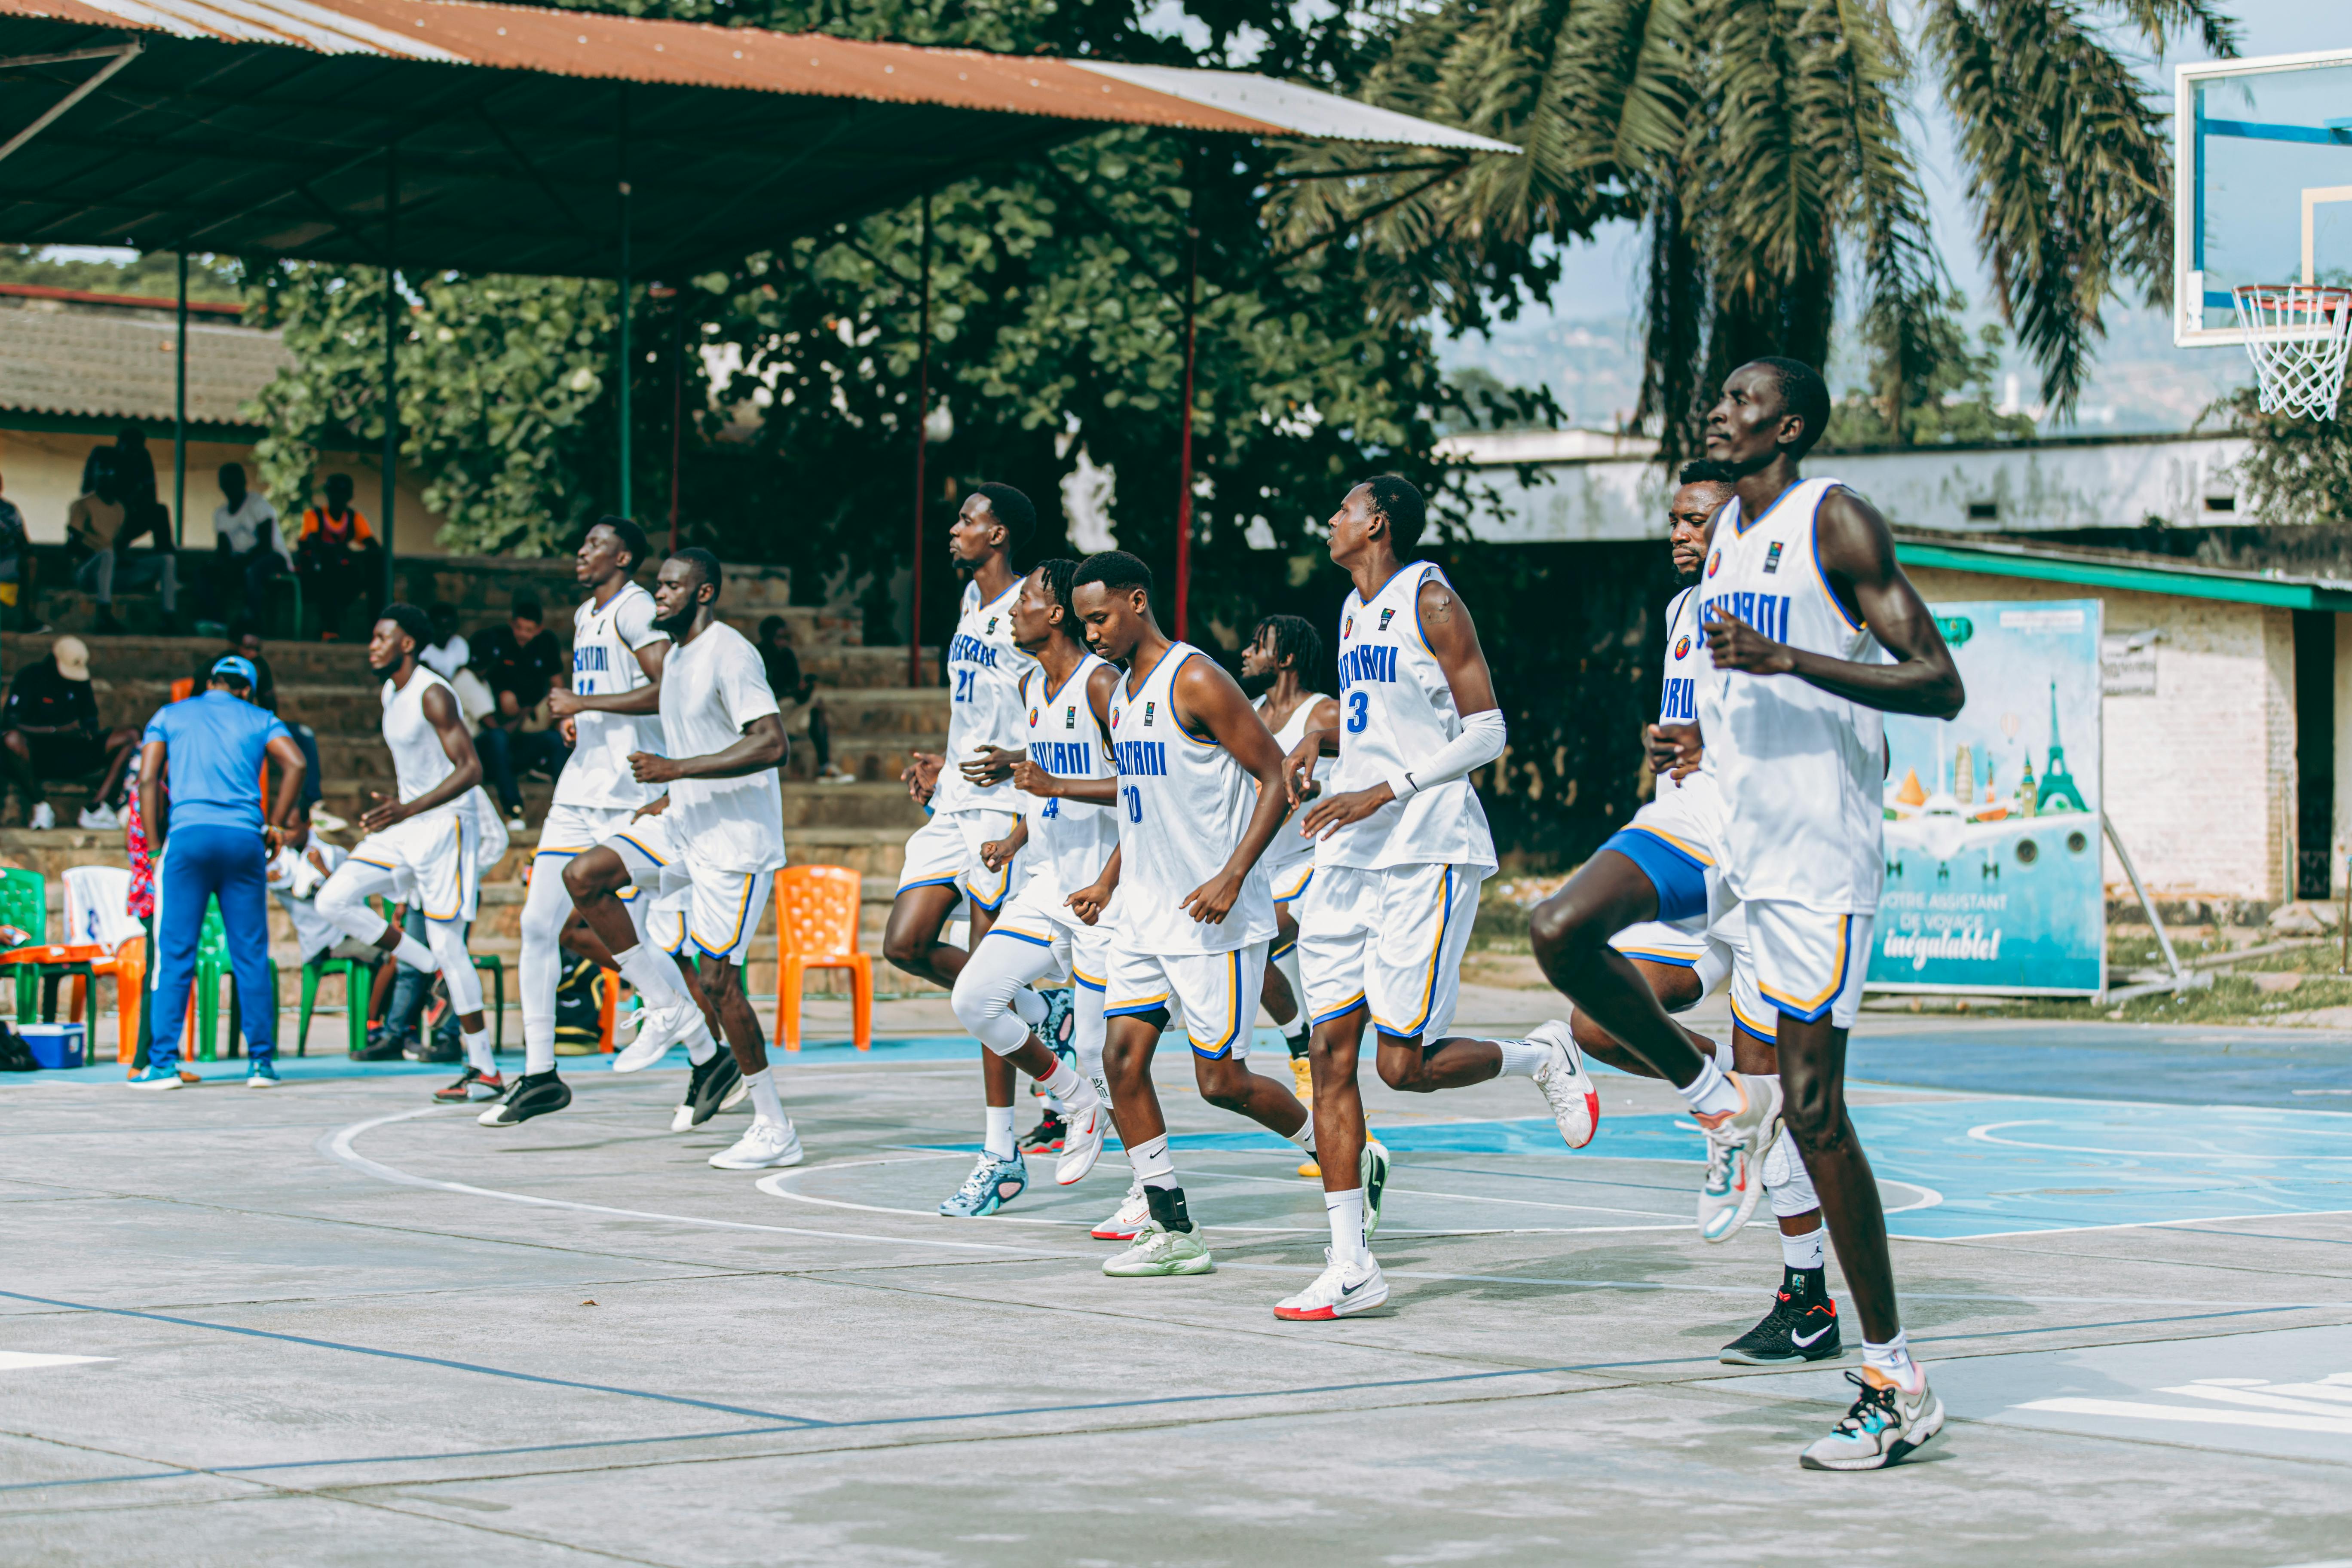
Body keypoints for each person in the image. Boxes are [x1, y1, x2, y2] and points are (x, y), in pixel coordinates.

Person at [1528, 357, 1963, 1470]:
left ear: (1793, 424)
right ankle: (1715, 1100)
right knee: (1560, 930)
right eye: (1715, 398)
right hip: (1722, 811)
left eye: (1742, 400)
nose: (1719, 410)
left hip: (1816, 846)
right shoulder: (1719, 544)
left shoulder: (1838, 523)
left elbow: (1938, 680)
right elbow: (1739, 697)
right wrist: (1700, 739)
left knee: (1818, 1117)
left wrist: (1788, 659)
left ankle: (1894, 1376)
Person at [1278, 476, 1592, 1321]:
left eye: (1340, 508)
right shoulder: (1350, 610)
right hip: (1350, 854)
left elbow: (1487, 730)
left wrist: (1386, 789)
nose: (1329, 519)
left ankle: (1541, 1056)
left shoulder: (1433, 599)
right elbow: (1378, 719)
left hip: (1427, 850)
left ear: (1375, 522)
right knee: (1331, 1054)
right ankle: (1351, 1265)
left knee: (1402, 1066)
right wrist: (1317, 741)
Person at [1555, 459, 1838, 1364]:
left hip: (1763, 852)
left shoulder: (1776, 603)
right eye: (1673, 519)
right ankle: (1724, 1098)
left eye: (1696, 520)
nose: (1679, 533)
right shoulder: (1682, 613)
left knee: (1783, 1080)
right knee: (1599, 1022)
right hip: (1693, 836)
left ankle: (1807, 1297)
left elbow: (1812, 711)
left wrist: (1711, 741)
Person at [1067, 550, 1314, 1275]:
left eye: (1100, 617)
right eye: (1083, 623)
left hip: (1212, 917)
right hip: (1144, 914)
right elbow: (1143, 803)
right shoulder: (1118, 693)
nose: (1092, 635)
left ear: (1138, 601)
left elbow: (1275, 776)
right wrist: (1111, 880)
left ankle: (1338, 1150)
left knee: (1222, 1082)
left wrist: (1233, 877)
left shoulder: (1196, 677)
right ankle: (1173, 1227)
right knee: (1120, 1060)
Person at [560, 549, 794, 1170]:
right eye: (658, 585)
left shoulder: (731, 652)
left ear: (705, 593)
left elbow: (772, 743)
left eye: (671, 587)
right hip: (685, 822)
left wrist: (676, 770)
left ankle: (774, 1126)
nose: (659, 595)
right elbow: (701, 740)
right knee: (585, 877)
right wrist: (668, 794)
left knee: (719, 982)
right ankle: (665, 1006)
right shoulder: (681, 658)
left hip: (736, 843)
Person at [481, 517, 704, 1129]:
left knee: (627, 936)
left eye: (595, 545)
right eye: (582, 544)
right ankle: (540, 1074)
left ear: (624, 557)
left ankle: (705, 1049)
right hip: (579, 789)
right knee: (535, 925)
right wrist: (584, 719)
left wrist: (586, 704)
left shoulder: (635, 609)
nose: (581, 552)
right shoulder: (587, 614)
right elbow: (610, 694)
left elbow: (668, 690)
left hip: (625, 795)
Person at [935, 560, 1116, 1215]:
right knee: (975, 1000)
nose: (1013, 612)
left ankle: (1151, 1196)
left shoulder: (1102, 687)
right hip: (1048, 884)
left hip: (1106, 893)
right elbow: (1044, 780)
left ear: (1058, 612)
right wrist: (1016, 838)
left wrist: (1105, 878)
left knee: (1109, 1058)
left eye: (1027, 602)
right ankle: (1074, 1101)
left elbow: (1149, 788)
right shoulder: (1031, 687)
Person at [311, 604, 504, 1103]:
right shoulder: (389, 691)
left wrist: (408, 808)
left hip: (445, 828)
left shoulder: (434, 693)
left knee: (451, 945)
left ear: (407, 645)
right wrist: (402, 811)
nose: (372, 645)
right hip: (406, 825)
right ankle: (428, 968)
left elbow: (471, 769)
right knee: (333, 901)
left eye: (381, 637)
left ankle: (484, 1070)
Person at [882, 485, 1042, 1048]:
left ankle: (1006, 1128)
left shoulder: (1031, 607)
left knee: (983, 974)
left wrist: (1021, 759)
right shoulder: (971, 601)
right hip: (957, 795)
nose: (953, 529)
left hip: (1003, 806)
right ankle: (1038, 1008)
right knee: (904, 944)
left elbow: (1072, 705)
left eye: (965, 520)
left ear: (996, 535)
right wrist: (944, 761)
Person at [126, 655, 309, 1088]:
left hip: (188, 839)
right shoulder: (262, 718)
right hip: (244, 840)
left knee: (174, 954)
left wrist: (155, 848)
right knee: (250, 953)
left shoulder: (170, 715)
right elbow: (297, 763)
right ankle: (262, 1063)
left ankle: (164, 1063)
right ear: (247, 689)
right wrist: (276, 825)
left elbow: (148, 779)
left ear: (209, 682)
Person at [1239, 613, 1338, 1171]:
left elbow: (1376, 755)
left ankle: (1303, 1046)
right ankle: (1302, 1045)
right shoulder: (1250, 713)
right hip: (1266, 862)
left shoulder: (1320, 712)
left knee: (1263, 931)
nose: (1247, 652)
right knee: (1249, 949)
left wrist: (1319, 785)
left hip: (1315, 858)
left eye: (1260, 645)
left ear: (1288, 657)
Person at [2, 635, 140, 830]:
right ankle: (40, 805)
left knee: (131, 735)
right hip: (37, 755)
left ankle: (96, 808)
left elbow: (91, 718)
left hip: (74, 753)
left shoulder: (80, 682)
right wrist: (56, 731)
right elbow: (10, 724)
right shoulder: (31, 678)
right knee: (12, 740)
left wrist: (87, 732)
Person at [471, 592, 568, 830]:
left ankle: (567, 806)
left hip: (533, 719)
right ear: (512, 623)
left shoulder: (547, 643)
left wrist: (562, 719)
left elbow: (558, 685)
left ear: (539, 629)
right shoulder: (497, 643)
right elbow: (491, 721)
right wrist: (517, 714)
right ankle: (514, 811)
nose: (523, 635)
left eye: (529, 630)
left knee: (556, 739)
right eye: (519, 628)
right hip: (499, 727)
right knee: (501, 728)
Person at [68, 447, 178, 636]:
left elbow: (117, 546)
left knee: (167, 560)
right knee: (107, 555)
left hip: (112, 573)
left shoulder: (120, 509)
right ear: (95, 477)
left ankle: (169, 618)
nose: (106, 479)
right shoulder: (82, 505)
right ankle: (104, 615)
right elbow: (72, 545)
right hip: (88, 573)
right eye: (102, 474)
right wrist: (98, 553)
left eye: (111, 474)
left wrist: (123, 559)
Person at [295, 474, 380, 641]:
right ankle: (329, 630)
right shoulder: (314, 516)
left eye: (342, 493)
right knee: (329, 573)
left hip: (340, 577)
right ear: (328, 494)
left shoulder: (354, 518)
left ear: (349, 497)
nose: (338, 497)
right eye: (334, 492)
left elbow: (373, 546)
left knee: (371, 573)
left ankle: (375, 628)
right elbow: (313, 544)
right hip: (314, 575)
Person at [758, 615, 841, 784]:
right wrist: (790, 692)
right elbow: (759, 694)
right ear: (767, 637)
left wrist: (804, 689)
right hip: (767, 714)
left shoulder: (787, 655)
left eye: (786, 638)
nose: (783, 642)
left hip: (789, 709)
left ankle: (825, 765)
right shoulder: (756, 656)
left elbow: (798, 694)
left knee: (817, 707)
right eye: (779, 638)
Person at [212, 463, 286, 610]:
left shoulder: (258, 504)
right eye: (226, 484)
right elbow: (223, 550)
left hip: (273, 557)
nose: (230, 488)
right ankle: (213, 620)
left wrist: (242, 562)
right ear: (221, 486)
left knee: (253, 570)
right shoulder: (220, 514)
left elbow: (266, 545)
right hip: (241, 560)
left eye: (234, 483)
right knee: (207, 571)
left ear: (244, 483)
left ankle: (252, 620)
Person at [0, 466, 27, 629]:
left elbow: (22, 539)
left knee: (31, 561)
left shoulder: (9, 510)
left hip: (7, 561)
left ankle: (28, 618)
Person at [420, 603, 469, 680]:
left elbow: (461, 674)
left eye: (448, 628)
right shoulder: (422, 645)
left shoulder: (460, 644)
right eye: (439, 627)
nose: (444, 632)